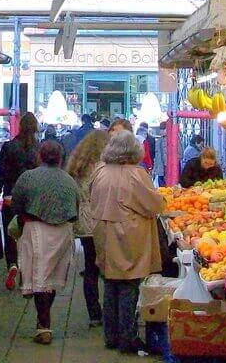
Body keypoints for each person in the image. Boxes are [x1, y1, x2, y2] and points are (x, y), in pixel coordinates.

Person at [88, 130, 165, 354]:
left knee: (110, 283)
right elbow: (152, 204)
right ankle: (128, 338)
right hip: (129, 234)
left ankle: (110, 335)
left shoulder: (100, 172)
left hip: (103, 232)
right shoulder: (136, 174)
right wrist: (164, 200)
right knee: (129, 284)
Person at [11, 140, 80, 345]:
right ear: (61, 158)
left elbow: (16, 203)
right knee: (51, 279)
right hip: (63, 232)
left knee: (40, 277)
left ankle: (44, 325)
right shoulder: (69, 181)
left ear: (39, 156)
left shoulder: (28, 177)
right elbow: (75, 208)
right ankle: (43, 321)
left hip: (36, 228)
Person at [0, 112, 40, 290]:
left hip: (11, 198)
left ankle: (12, 264)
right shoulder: (38, 148)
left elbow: (0, 174)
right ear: (35, 128)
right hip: (31, 200)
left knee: (11, 235)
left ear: (20, 126)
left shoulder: (9, 146)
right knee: (28, 237)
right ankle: (26, 274)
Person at [66, 129, 109, 328]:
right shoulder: (104, 168)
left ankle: (94, 314)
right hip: (102, 220)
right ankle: (111, 311)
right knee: (108, 268)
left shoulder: (77, 167)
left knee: (90, 268)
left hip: (84, 222)